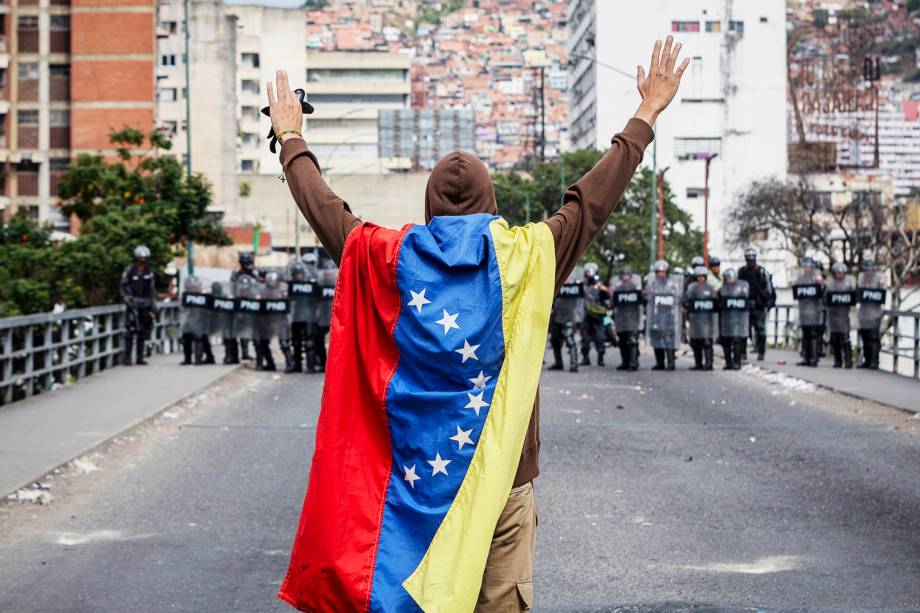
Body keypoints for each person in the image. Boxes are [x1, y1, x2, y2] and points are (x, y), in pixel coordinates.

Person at [268, 36, 687, 612]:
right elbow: (590, 203)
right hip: (506, 478)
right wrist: (645, 115)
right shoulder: (529, 256)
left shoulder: (385, 258)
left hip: (417, 483)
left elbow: (327, 212)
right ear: (492, 201)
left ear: (428, 206)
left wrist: (291, 138)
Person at [119, 245, 156, 366]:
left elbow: (151, 290)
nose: (142, 261)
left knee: (142, 332)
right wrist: (128, 299)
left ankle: (140, 357)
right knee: (130, 331)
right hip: (132, 304)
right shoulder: (130, 270)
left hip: (145, 305)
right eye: (140, 259)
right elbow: (123, 287)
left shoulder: (148, 272)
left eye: (144, 259)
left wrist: (151, 307)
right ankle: (127, 358)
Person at [644, 259, 682, 371]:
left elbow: (677, 298)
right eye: (659, 272)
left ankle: (671, 363)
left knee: (669, 340)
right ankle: (660, 363)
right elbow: (647, 296)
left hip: (669, 316)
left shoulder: (673, 284)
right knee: (657, 339)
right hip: (656, 316)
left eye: (663, 272)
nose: (661, 274)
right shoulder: (652, 284)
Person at [738, 246, 773, 361]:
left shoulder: (762, 271)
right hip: (745, 304)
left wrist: (764, 300)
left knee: (761, 330)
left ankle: (761, 352)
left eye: (752, 259)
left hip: (758, 305)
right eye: (748, 259)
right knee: (743, 330)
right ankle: (742, 353)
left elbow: (768, 290)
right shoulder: (742, 272)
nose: (750, 261)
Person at [286, 259, 321, 373]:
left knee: (310, 342)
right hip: (296, 316)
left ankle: (310, 366)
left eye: (299, 274)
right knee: (296, 342)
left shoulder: (312, 284)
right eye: (295, 274)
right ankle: (297, 365)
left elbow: (318, 299)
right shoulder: (290, 286)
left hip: (309, 316)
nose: (297, 276)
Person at [792, 256, 825, 367]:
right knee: (805, 335)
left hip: (814, 311)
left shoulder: (817, 277)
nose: (806, 268)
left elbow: (823, 292)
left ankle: (813, 358)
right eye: (805, 266)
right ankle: (806, 357)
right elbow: (796, 291)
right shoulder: (800, 278)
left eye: (808, 266)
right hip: (803, 310)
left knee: (813, 335)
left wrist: (821, 284)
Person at [682, 266, 716, 371]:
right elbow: (686, 300)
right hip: (695, 319)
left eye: (703, 277)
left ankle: (709, 363)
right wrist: (686, 307)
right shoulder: (692, 288)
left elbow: (716, 301)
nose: (701, 278)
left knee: (707, 341)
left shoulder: (710, 288)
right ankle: (698, 363)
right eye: (699, 276)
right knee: (695, 342)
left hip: (707, 319)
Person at [549, 270, 584, 372]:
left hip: (569, 316)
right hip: (557, 315)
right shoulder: (557, 284)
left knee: (569, 340)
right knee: (555, 340)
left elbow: (580, 301)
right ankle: (558, 363)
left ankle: (574, 364)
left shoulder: (575, 287)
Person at [825, 262, 856, 369]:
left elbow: (853, 295)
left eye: (842, 273)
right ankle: (838, 360)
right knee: (834, 339)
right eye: (838, 273)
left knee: (845, 339)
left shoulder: (849, 282)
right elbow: (825, 297)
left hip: (844, 315)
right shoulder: (830, 282)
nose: (840, 275)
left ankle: (848, 361)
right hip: (833, 315)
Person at [856, 259, 886, 369]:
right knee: (865, 337)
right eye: (866, 269)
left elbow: (882, 292)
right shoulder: (861, 277)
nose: (868, 271)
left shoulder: (879, 277)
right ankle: (867, 360)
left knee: (874, 338)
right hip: (864, 312)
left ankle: (874, 361)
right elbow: (859, 291)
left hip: (875, 313)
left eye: (870, 269)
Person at [718, 268, 750, 370]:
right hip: (726, 320)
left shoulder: (742, 287)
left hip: (738, 320)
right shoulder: (722, 289)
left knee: (737, 341)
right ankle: (728, 362)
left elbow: (746, 299)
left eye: (730, 277)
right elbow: (718, 302)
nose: (729, 280)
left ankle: (737, 362)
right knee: (726, 342)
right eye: (727, 278)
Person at [611, 266, 642, 371]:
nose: (625, 277)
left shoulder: (635, 288)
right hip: (620, 318)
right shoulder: (617, 288)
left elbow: (642, 301)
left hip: (633, 317)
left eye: (627, 275)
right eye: (623, 275)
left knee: (632, 340)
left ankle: (633, 363)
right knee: (622, 341)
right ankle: (625, 362)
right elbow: (612, 303)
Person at [231, 252, 259, 360]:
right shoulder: (235, 275)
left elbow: (258, 286)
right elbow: (232, 286)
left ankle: (250, 353)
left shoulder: (254, 274)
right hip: (238, 303)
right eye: (244, 263)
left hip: (251, 304)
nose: (246, 265)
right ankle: (236, 354)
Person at [179, 275, 213, 365]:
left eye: (194, 287)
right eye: (190, 287)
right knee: (186, 338)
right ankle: (187, 359)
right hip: (188, 321)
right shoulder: (185, 296)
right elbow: (182, 308)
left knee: (200, 338)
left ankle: (200, 358)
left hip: (200, 321)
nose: (192, 289)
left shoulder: (204, 296)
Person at [580, 261, 608, 367]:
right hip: (586, 315)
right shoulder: (582, 285)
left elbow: (609, 296)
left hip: (598, 316)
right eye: (588, 272)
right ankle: (585, 358)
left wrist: (605, 290)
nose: (590, 274)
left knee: (600, 337)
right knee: (585, 338)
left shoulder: (600, 285)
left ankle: (601, 358)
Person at [209, 281, 238, 364]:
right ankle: (230, 356)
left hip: (227, 321)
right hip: (218, 321)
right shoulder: (211, 298)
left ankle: (230, 356)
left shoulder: (225, 297)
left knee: (229, 338)